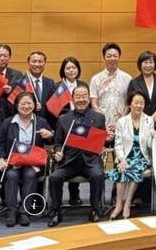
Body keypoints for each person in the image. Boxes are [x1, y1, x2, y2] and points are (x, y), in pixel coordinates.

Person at [48, 82, 108, 227]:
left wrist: (107, 139)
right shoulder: (63, 119)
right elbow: (57, 143)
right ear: (73, 98)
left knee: (97, 175)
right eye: (78, 96)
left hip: (90, 161)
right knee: (54, 177)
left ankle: (95, 209)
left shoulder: (99, 118)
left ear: (89, 98)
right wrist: (57, 152)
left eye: (84, 96)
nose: (81, 99)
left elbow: (102, 141)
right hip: (68, 161)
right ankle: (56, 211)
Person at [0, 92, 53, 226]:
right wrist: (1, 159)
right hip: (13, 162)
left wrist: (49, 135)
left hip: (32, 162)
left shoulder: (41, 122)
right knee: (11, 175)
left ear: (34, 105)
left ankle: (24, 212)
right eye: (22, 103)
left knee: (30, 174)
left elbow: (51, 142)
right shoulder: (8, 122)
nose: (26, 106)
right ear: (16, 105)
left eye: (29, 103)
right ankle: (11, 211)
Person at [107, 91, 155, 220]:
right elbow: (118, 144)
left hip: (142, 157)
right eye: (136, 102)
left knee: (133, 169)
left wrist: (152, 136)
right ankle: (118, 205)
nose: (138, 106)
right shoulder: (122, 121)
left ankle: (127, 203)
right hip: (126, 155)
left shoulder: (149, 120)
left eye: (141, 103)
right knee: (123, 169)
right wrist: (122, 159)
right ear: (130, 104)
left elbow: (150, 146)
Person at [57, 56, 85, 206]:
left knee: (79, 157)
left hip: (81, 126)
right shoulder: (58, 87)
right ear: (63, 70)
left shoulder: (83, 85)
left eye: (74, 67)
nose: (71, 70)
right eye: (68, 68)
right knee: (66, 159)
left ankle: (75, 194)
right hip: (64, 125)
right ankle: (58, 201)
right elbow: (53, 109)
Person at [89, 42, 131, 133]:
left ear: (119, 57)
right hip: (101, 124)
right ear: (104, 58)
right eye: (109, 56)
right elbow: (94, 104)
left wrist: (121, 120)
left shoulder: (127, 78)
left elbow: (129, 103)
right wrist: (102, 121)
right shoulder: (95, 79)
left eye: (115, 55)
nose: (112, 58)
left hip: (122, 124)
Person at [127, 51, 156, 123]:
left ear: (155, 64)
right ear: (140, 64)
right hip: (139, 121)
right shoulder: (133, 83)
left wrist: (155, 115)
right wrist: (146, 119)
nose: (148, 65)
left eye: (151, 62)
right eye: (145, 62)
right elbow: (131, 102)